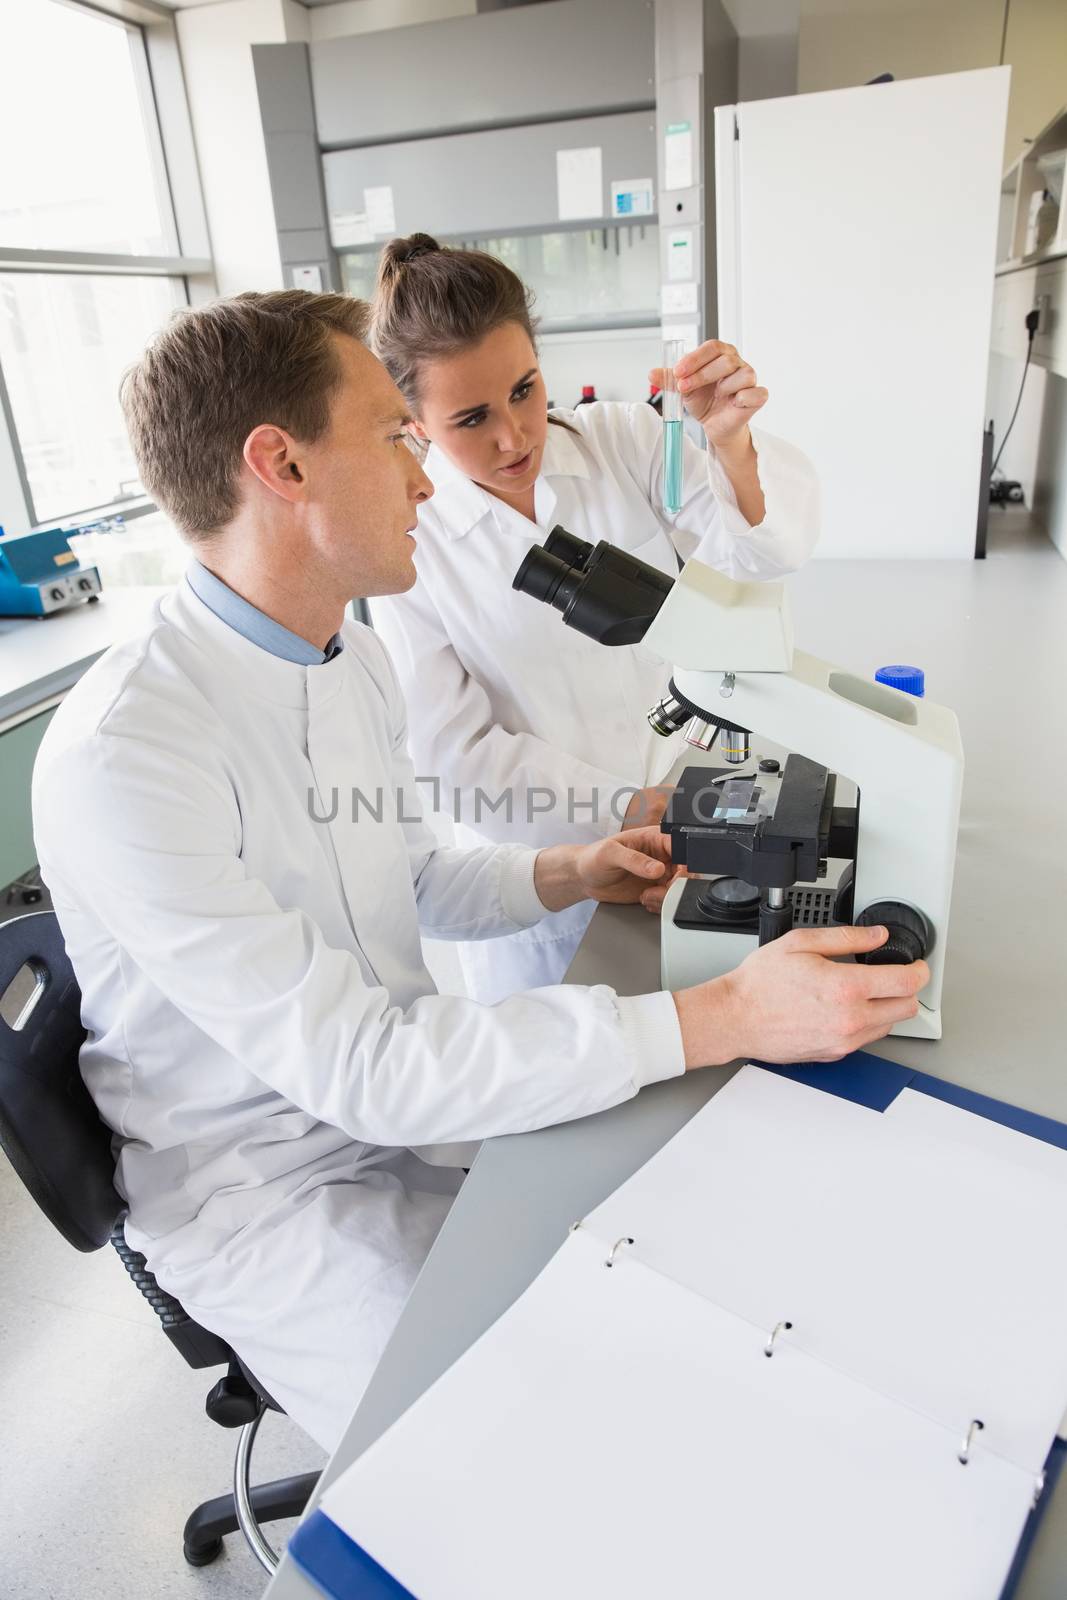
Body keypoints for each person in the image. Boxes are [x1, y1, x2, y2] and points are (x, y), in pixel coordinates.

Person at [32, 292, 925, 1453]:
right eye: (396, 436)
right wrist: (719, 1013)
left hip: (402, 1114)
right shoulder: (128, 751)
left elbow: (409, 874)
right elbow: (361, 1067)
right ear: (281, 463)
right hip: (264, 1191)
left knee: (676, 1281)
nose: (424, 479)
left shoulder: (339, 655)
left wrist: (571, 869)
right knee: (523, 1450)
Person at [369, 234, 820, 1003]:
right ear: (414, 423)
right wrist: (627, 814)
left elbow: (754, 558)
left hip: (681, 804)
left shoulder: (626, 439)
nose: (513, 435)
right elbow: (452, 754)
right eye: (470, 417)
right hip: (545, 864)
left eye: (524, 389)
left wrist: (729, 443)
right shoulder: (409, 539)